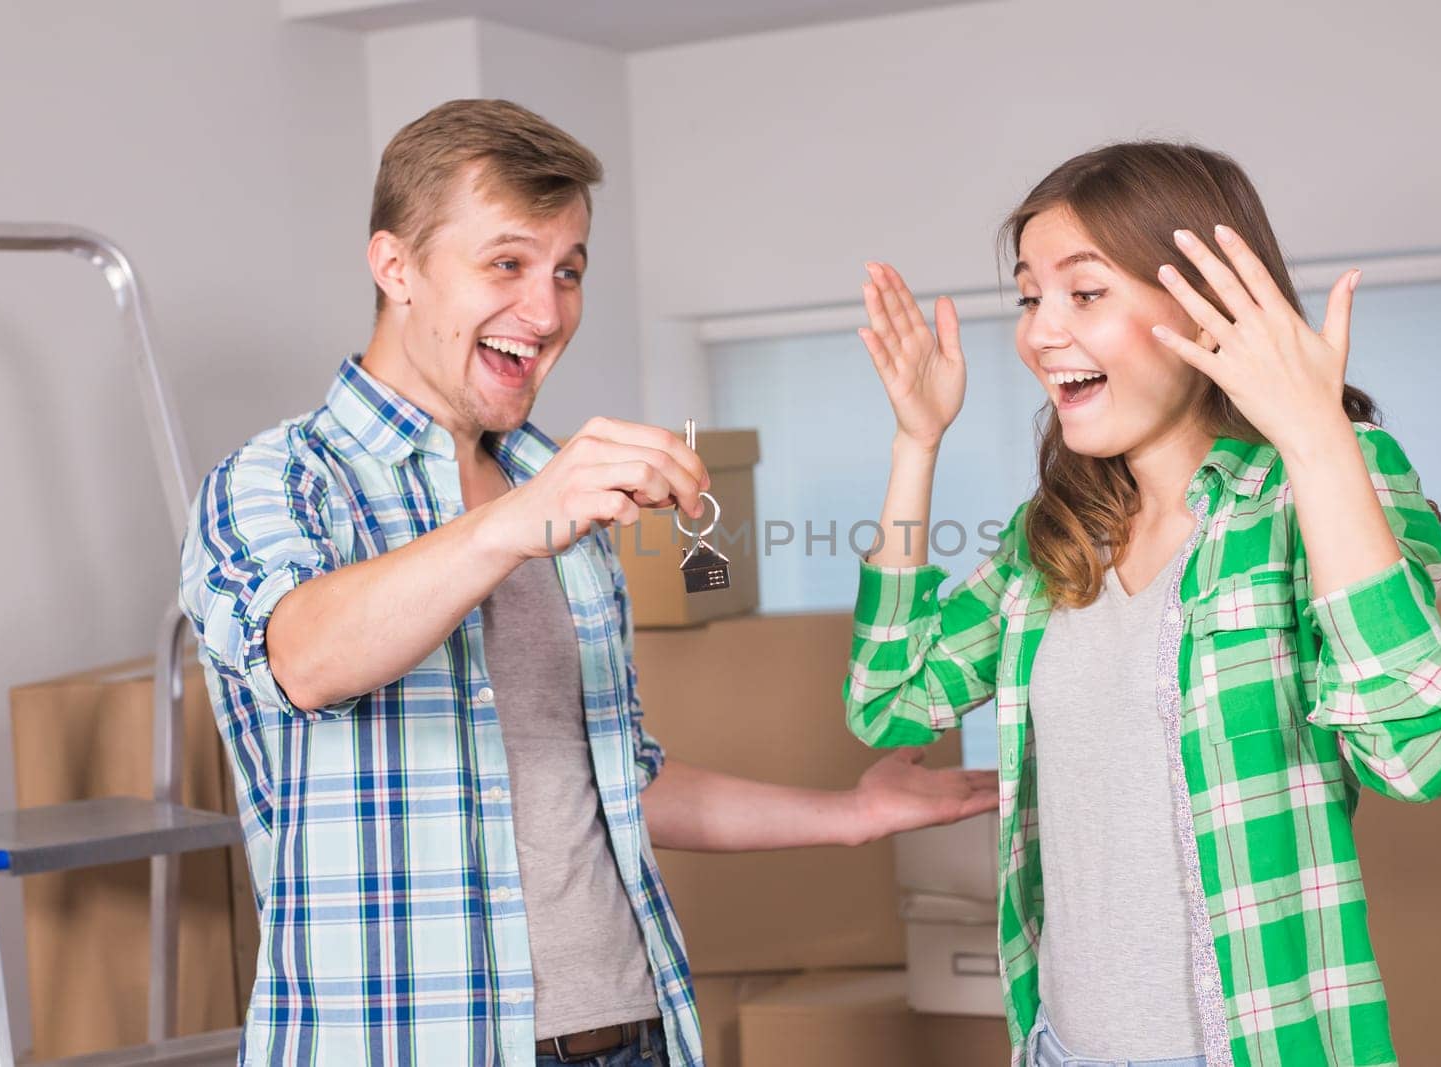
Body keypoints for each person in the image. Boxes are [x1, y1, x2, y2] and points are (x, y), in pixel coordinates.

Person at [179, 98, 998, 1067]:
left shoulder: (549, 498)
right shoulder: (278, 479)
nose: (546, 309)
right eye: (507, 263)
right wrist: (512, 524)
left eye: (568, 270)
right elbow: (304, 656)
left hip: (625, 1035)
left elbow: (611, 780)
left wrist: (851, 817)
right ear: (395, 267)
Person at [843, 142, 1441, 1067]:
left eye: (1084, 292)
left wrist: (1319, 439)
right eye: (1029, 297)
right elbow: (889, 699)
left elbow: (1419, 752)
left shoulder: (1322, 484)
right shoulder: (1055, 535)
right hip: (1059, 1046)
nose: (1039, 333)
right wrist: (914, 444)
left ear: (1206, 303)